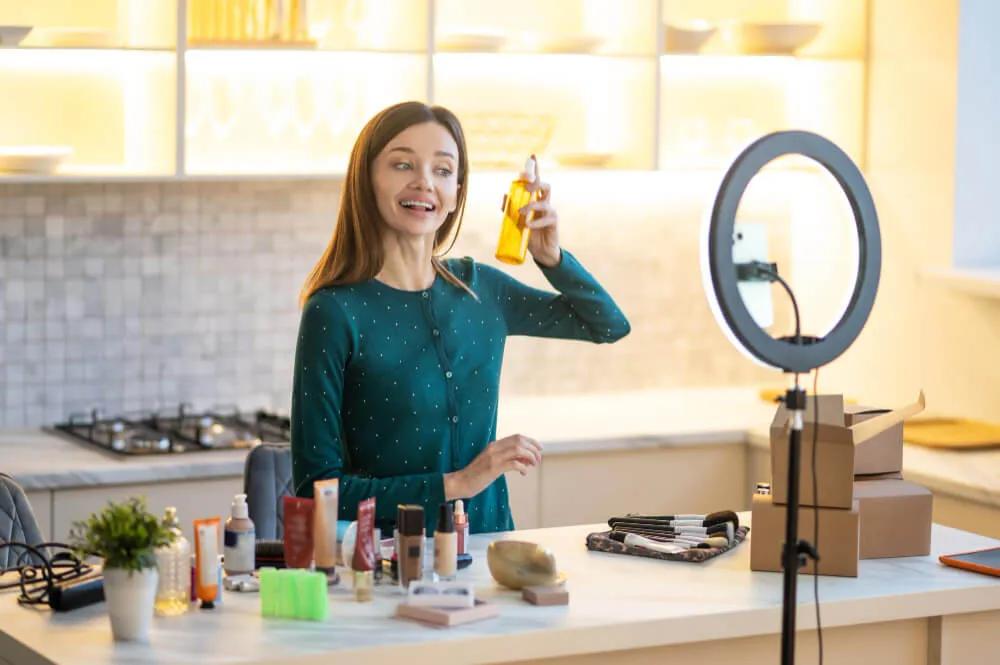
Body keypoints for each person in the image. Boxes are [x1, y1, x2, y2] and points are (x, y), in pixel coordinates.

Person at [290, 100, 631, 535]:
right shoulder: (335, 311)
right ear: (366, 181)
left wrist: (552, 257)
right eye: (401, 164)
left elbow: (607, 325)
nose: (423, 182)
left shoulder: (481, 290)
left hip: (490, 549)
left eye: (443, 170)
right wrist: (458, 484)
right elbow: (317, 489)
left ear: (456, 193)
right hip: (390, 565)